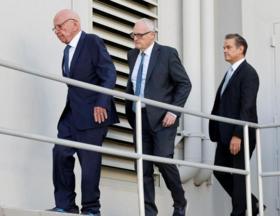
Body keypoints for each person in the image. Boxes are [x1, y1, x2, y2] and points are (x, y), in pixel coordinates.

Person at [50, 9, 119, 216]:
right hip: (71, 114)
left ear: (75, 24)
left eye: (60, 27)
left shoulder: (92, 41)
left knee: (89, 163)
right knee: (60, 153)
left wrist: (101, 103)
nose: (57, 32)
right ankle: (66, 205)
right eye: (55, 28)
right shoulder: (66, 51)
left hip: (93, 113)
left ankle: (91, 208)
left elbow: (109, 73)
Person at [125, 18, 191, 216]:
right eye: (133, 35)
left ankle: (179, 201)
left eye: (139, 35)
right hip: (139, 117)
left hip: (163, 118)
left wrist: (173, 111)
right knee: (142, 167)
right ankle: (149, 212)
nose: (135, 38)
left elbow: (184, 84)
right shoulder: (131, 55)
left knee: (163, 160)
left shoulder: (167, 54)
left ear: (152, 35)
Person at [209, 33, 260, 216]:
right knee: (219, 171)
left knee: (239, 176)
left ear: (241, 49)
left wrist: (238, 135)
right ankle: (252, 203)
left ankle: (238, 212)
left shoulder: (248, 73)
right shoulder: (230, 72)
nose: (224, 50)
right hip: (224, 135)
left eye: (228, 47)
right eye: (224, 47)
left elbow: (247, 106)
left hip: (240, 135)